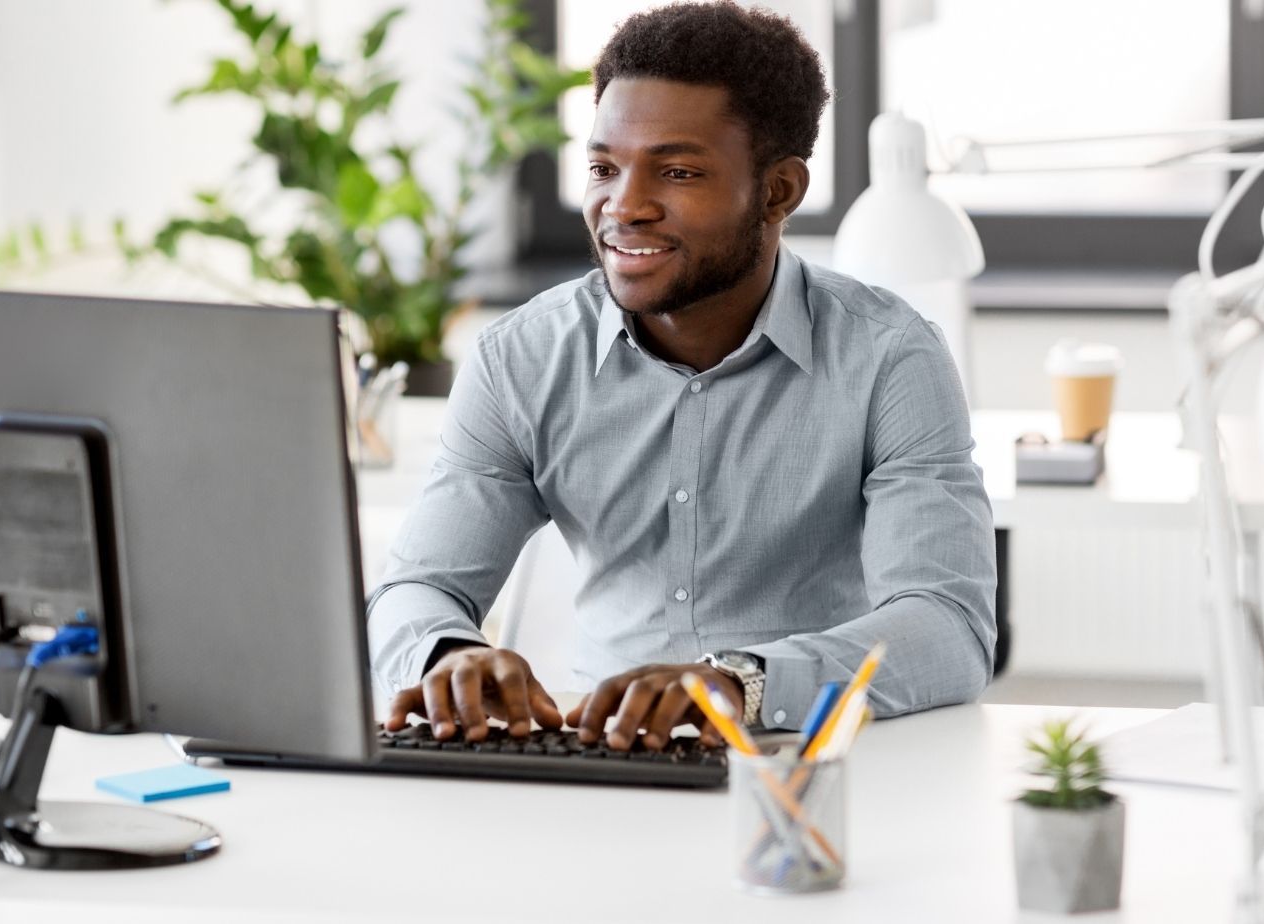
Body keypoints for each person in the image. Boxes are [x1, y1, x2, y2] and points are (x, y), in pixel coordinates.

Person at [367, 0, 996, 752]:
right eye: (603, 167)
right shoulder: (522, 358)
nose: (622, 207)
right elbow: (416, 587)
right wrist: (446, 654)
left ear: (778, 192)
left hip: (810, 763)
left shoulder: (889, 357)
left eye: (677, 171)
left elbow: (947, 626)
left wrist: (739, 683)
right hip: (597, 763)